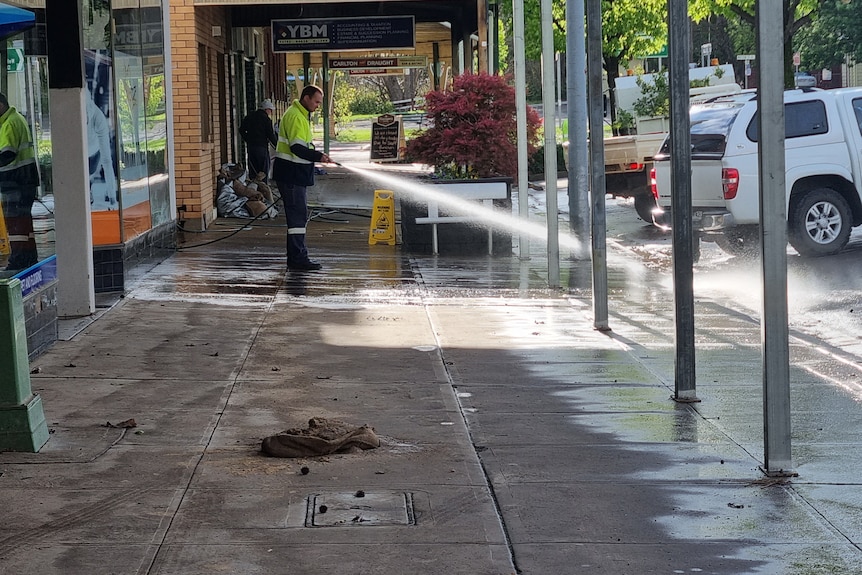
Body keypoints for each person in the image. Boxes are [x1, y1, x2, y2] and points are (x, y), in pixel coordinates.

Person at [272, 85, 332, 271]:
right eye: (316, 101)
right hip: (292, 175)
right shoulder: (296, 117)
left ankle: (297, 257)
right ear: (306, 98)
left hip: (292, 175)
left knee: (298, 217)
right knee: (297, 219)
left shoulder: (297, 114)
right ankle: (298, 259)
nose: (317, 105)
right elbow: (297, 148)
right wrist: (319, 156)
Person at [0, 93, 39, 271]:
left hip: (15, 182)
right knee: (24, 223)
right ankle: (29, 258)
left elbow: (7, 154)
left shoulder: (9, 124)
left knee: (15, 224)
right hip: (25, 181)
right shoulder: (17, 118)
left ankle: (18, 261)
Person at [239, 99, 278, 179]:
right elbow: (270, 135)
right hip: (262, 148)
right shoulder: (266, 120)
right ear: (266, 109)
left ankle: (253, 188)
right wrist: (278, 146)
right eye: (270, 110)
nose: (271, 113)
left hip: (251, 147)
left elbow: (241, 129)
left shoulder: (249, 117)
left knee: (253, 171)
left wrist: (248, 139)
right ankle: (263, 189)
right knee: (263, 172)